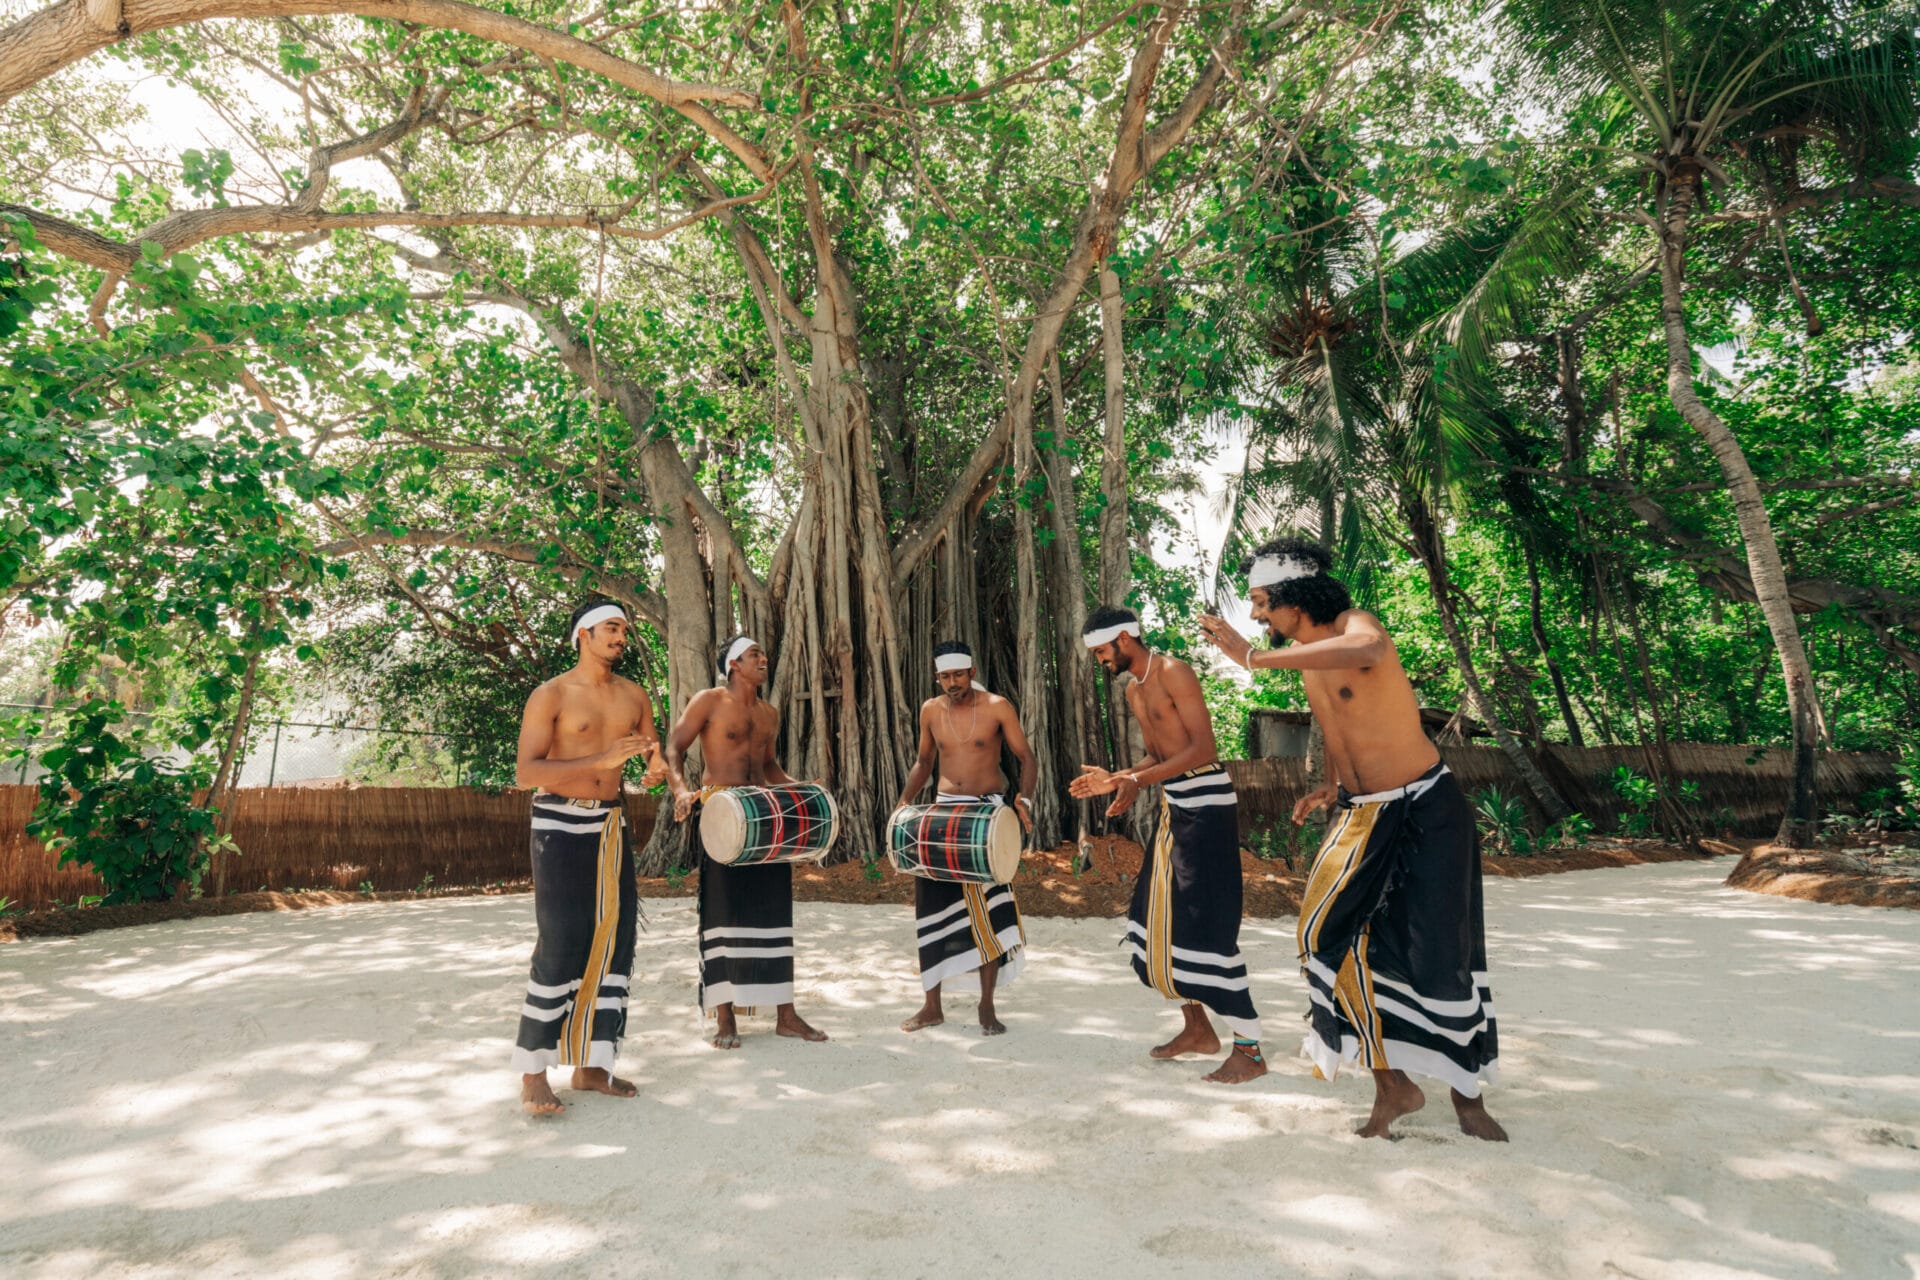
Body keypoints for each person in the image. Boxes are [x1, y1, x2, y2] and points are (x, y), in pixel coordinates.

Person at [1198, 536, 1506, 1140]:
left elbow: (1369, 647)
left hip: (1426, 808)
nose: (1256, 616)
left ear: (1295, 596)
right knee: (1327, 939)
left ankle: (1468, 1098)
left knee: (1440, 952)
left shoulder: (1351, 624)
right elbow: (1338, 724)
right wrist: (1333, 785)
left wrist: (1254, 659)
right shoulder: (1312, 655)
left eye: (1262, 602)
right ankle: (1394, 1086)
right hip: (1364, 813)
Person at [1069, 606, 1267, 1084]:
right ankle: (1198, 1030)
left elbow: (1202, 751)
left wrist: (1127, 777)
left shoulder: (1175, 671)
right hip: (1175, 810)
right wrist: (1130, 783)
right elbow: (1160, 756)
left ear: (1123, 638)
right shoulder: (1135, 689)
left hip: (1208, 807)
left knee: (1205, 927)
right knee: (1151, 923)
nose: (1100, 661)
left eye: (1101, 650)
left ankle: (1250, 1049)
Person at [510, 599, 667, 1116]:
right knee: (560, 939)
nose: (622, 637)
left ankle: (593, 1065)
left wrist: (656, 769)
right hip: (558, 822)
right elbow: (526, 773)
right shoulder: (551, 694)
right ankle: (534, 1073)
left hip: (610, 825)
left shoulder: (634, 695)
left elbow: (653, 752)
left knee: (615, 940)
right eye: (612, 628)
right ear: (584, 633)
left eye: (625, 629)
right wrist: (600, 759)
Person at [663, 634, 829, 1050]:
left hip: (764, 813)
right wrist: (681, 791)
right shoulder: (709, 701)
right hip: (721, 810)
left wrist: (801, 788)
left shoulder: (769, 712)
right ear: (734, 663)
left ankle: (786, 1015)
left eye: (763, 653)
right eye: (755, 654)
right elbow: (675, 747)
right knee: (724, 910)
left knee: (775, 909)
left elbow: (769, 764)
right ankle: (725, 1017)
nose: (763, 659)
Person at [895, 641, 1035, 1035]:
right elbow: (924, 761)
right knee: (932, 908)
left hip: (984, 815)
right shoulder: (930, 710)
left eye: (958, 674)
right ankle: (931, 1006)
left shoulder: (996, 706)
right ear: (937, 676)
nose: (952, 683)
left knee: (987, 913)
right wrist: (904, 803)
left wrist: (1023, 799)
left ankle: (986, 1005)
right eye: (945, 676)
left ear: (971, 671)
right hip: (940, 814)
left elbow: (1025, 757)